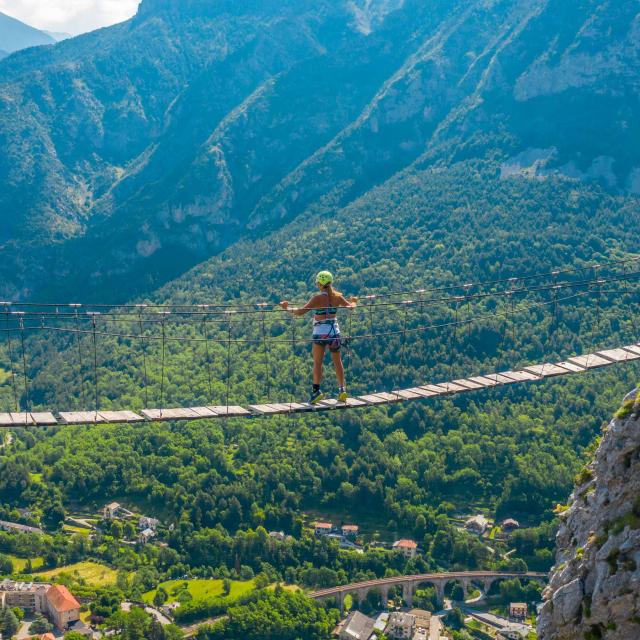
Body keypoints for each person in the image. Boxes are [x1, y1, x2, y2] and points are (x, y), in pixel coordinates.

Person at [280, 271, 357, 404]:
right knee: (337, 361)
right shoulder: (338, 297)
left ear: (320, 284)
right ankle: (342, 390)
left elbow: (299, 312)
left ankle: (316, 392)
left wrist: (286, 308)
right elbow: (351, 307)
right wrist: (354, 302)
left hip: (320, 333)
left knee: (318, 363)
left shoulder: (316, 299)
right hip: (334, 333)